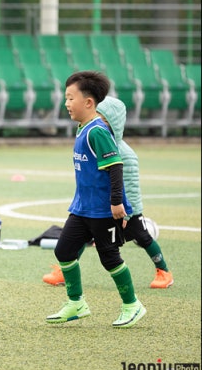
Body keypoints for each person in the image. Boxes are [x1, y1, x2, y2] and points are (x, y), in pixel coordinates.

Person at [46, 71, 146, 328]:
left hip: (103, 210)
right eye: (66, 98)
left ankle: (132, 305)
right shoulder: (82, 128)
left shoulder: (97, 132)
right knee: (64, 251)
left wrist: (117, 203)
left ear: (89, 102)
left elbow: (116, 167)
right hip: (82, 209)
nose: (66, 103)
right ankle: (77, 303)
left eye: (71, 98)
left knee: (109, 257)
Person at [42, 96, 174, 289]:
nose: (98, 122)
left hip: (124, 209)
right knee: (83, 235)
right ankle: (65, 271)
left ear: (115, 123)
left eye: (103, 119)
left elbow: (128, 185)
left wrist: (125, 211)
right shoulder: (94, 140)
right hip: (100, 206)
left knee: (142, 237)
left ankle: (164, 271)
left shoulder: (125, 154)